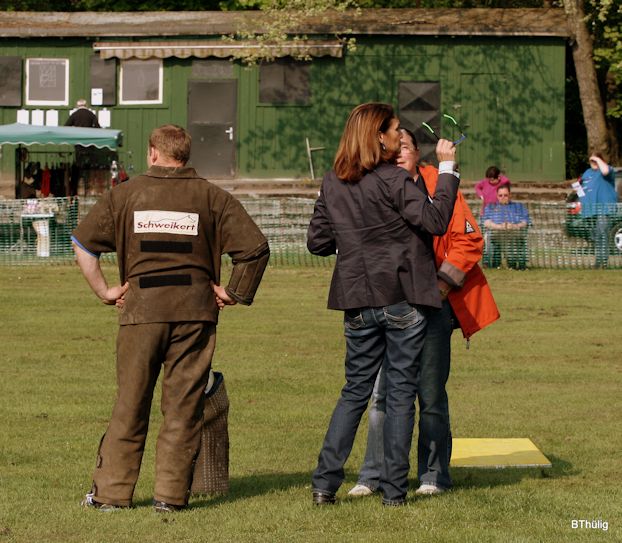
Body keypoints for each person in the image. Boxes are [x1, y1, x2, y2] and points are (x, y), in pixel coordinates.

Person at [71, 124, 269, 512]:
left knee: (131, 403)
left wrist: (105, 291)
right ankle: (172, 497)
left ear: (152, 153)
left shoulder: (125, 195)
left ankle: (111, 495)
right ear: (186, 155)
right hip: (195, 312)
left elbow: (82, 245)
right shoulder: (213, 197)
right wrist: (232, 292)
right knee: (182, 406)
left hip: (142, 311)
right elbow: (255, 249)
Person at [308, 103, 460, 507]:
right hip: (401, 299)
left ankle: (324, 484)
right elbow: (435, 220)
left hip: (357, 299)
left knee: (354, 393)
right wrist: (447, 170)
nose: (399, 136)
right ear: (378, 136)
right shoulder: (394, 179)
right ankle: (394, 491)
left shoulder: (332, 182)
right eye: (394, 130)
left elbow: (317, 242)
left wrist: (351, 232)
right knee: (399, 396)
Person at [348, 128, 499, 498]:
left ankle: (433, 474)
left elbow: (468, 239)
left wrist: (441, 287)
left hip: (433, 306)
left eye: (404, 147)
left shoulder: (438, 183)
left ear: (418, 153)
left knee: (430, 394)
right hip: (389, 305)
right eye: (391, 147)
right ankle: (372, 476)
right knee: (381, 395)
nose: (398, 153)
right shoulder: (376, 185)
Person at [577, 153, 618, 268]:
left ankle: (602, 262)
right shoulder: (587, 173)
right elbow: (579, 188)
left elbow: (605, 171)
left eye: (596, 160)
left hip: (604, 209)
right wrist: (580, 200)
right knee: (595, 236)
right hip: (589, 211)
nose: (593, 162)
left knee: (602, 233)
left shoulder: (607, 170)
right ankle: (599, 259)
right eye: (591, 161)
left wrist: (597, 159)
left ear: (601, 160)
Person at [482, 185, 530, 269]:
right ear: (497, 196)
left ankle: (514, 263)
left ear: (510, 195)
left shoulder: (519, 206)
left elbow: (525, 222)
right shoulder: (490, 207)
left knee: (516, 238)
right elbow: (486, 222)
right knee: (487, 236)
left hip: (513, 233)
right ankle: (490, 263)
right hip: (496, 233)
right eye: (500, 195)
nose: (503, 197)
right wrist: (498, 226)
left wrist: (515, 226)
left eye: (505, 195)